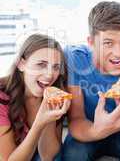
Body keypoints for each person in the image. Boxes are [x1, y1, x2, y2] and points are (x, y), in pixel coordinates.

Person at [62, 1, 120, 161]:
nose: (118, 53)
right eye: (108, 43)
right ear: (91, 43)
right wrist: (97, 130)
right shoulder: (76, 59)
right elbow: (76, 119)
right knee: (74, 154)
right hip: (87, 127)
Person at [0, 33, 71, 161]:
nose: (50, 75)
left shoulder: (55, 94)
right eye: (41, 64)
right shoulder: (2, 98)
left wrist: (48, 117)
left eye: (55, 67)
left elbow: (48, 156)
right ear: (21, 64)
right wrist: (39, 123)